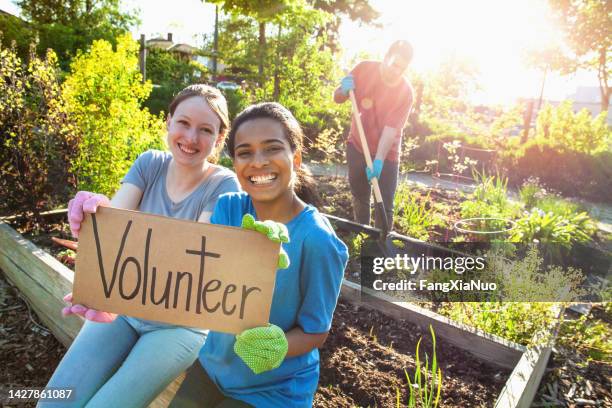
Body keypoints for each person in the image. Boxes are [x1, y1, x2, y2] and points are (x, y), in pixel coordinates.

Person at [39, 84, 241, 408]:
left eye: (205, 130)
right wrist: (95, 215)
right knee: (54, 403)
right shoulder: (150, 164)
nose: (191, 138)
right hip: (124, 309)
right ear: (169, 122)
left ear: (218, 139)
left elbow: (189, 258)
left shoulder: (223, 185)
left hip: (177, 325)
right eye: (184, 123)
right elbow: (115, 225)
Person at [169, 102, 349, 408]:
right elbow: (202, 275)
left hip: (273, 390)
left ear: (297, 157)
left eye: (272, 149)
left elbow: (315, 330)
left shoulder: (317, 240)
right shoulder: (229, 208)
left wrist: (278, 345)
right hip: (213, 366)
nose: (258, 162)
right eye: (245, 152)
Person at [333, 40, 414, 229]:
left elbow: (391, 130)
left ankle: (382, 243)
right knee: (360, 196)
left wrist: (378, 161)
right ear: (386, 57)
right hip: (357, 146)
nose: (396, 71)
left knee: (384, 204)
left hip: (387, 154)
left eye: (401, 69)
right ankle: (363, 234)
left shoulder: (405, 92)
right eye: (394, 64)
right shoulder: (363, 69)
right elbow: (337, 97)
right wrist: (343, 90)